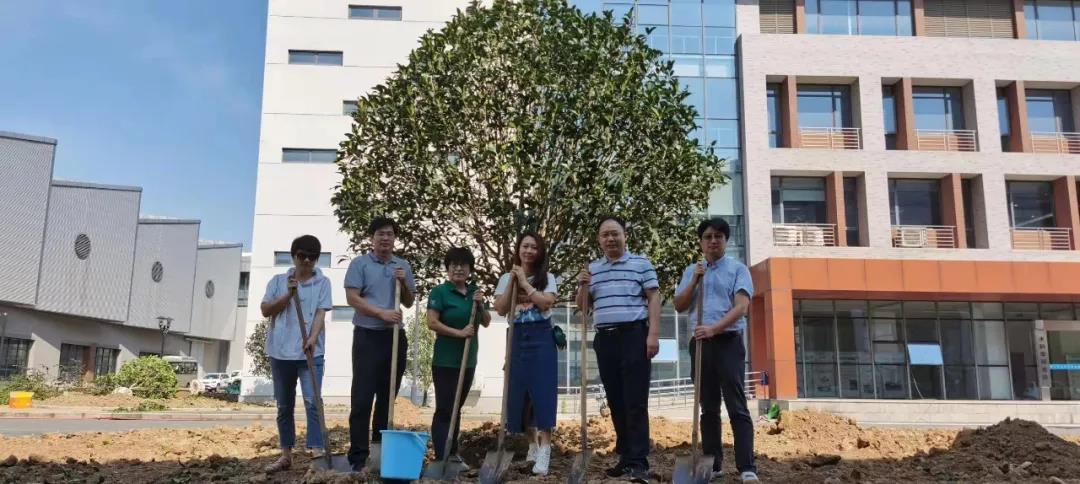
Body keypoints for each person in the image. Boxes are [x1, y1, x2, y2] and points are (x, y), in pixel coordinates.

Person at [673, 218, 759, 482]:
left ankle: (746, 467)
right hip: (699, 344)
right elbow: (679, 305)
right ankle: (712, 465)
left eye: (718, 236)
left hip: (728, 343)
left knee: (736, 405)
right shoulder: (692, 270)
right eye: (708, 236)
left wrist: (714, 329)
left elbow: (741, 307)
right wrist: (694, 281)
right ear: (701, 242)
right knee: (708, 407)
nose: (713, 241)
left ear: (726, 241)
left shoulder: (738, 269)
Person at [576, 216, 660, 483]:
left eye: (615, 233)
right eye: (605, 235)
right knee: (615, 400)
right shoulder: (593, 269)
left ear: (625, 235)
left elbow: (654, 297)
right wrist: (582, 285)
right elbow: (582, 306)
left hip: (634, 336)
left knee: (635, 400)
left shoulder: (641, 264)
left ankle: (639, 461)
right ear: (599, 240)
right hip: (605, 339)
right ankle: (625, 456)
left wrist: (653, 335)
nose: (610, 239)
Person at [344, 217, 417, 472]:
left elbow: (408, 301)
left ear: (394, 238)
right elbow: (352, 298)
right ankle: (358, 457)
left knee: (387, 399)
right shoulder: (360, 264)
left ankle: (380, 453)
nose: (385, 238)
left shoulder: (402, 265)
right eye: (380, 234)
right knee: (362, 399)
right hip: (367, 336)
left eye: (389, 234)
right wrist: (380, 313)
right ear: (372, 238)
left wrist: (403, 282)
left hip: (394, 337)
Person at [259, 235, 333, 473]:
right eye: (302, 256)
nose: (307, 261)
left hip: (311, 352)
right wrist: (288, 296)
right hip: (280, 353)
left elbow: (321, 313)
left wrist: (312, 338)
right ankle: (286, 454)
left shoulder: (323, 283)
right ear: (294, 256)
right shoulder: (278, 281)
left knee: (313, 401)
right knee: (284, 406)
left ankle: (317, 452)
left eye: (312, 257)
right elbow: (265, 310)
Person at [494, 232, 560, 476]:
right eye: (525, 246)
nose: (529, 251)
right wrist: (513, 281)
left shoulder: (547, 278)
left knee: (543, 392)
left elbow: (545, 303)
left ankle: (545, 449)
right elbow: (501, 308)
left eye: (534, 247)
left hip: (541, 337)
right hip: (517, 336)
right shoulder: (506, 278)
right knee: (519, 393)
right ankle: (531, 444)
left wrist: (525, 283)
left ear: (539, 252)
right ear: (518, 249)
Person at [426, 247, 491, 466]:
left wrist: (480, 305)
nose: (458, 269)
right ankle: (441, 455)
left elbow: (486, 321)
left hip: (468, 360)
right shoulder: (440, 292)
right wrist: (459, 333)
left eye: (463, 265)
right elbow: (432, 322)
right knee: (445, 408)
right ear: (448, 268)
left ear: (470, 269)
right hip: (445, 361)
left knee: (457, 407)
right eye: (454, 264)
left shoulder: (475, 292)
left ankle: (452, 452)